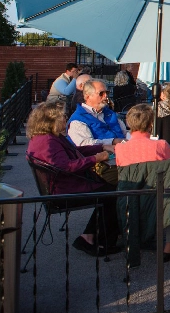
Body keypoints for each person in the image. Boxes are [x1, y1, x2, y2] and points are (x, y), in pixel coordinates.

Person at [26, 102, 120, 256]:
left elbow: (74, 151)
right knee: (113, 193)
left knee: (110, 191)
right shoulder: (47, 141)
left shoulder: (48, 137)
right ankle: (99, 240)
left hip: (64, 186)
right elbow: (65, 167)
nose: (66, 118)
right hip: (64, 192)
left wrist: (101, 147)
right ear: (51, 120)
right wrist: (95, 159)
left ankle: (91, 235)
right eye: (63, 116)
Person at [114, 103, 170, 258]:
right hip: (159, 195)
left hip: (130, 197)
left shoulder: (120, 148)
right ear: (151, 124)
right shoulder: (161, 145)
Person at [68, 79, 127, 147]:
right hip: (103, 153)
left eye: (107, 93)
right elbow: (86, 145)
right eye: (101, 93)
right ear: (88, 96)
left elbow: (124, 132)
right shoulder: (78, 120)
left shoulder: (109, 113)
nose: (106, 96)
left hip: (123, 149)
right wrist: (113, 141)